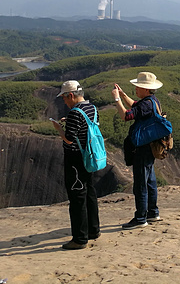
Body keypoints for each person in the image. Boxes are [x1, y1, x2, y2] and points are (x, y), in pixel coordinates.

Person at [112, 71, 165, 229]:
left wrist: (116, 99)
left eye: (138, 86)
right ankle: (152, 212)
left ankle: (141, 218)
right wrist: (122, 95)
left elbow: (126, 116)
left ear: (146, 89)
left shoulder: (146, 104)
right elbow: (135, 106)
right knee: (150, 181)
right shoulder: (152, 101)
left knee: (141, 184)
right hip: (150, 146)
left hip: (142, 148)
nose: (136, 88)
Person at [53, 80, 101, 250]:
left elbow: (69, 139)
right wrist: (72, 122)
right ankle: (93, 230)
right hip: (89, 156)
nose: (64, 102)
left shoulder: (75, 113)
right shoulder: (92, 109)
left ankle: (79, 238)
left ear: (71, 95)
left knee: (77, 197)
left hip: (76, 159)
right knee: (90, 193)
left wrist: (59, 128)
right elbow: (85, 126)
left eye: (65, 98)